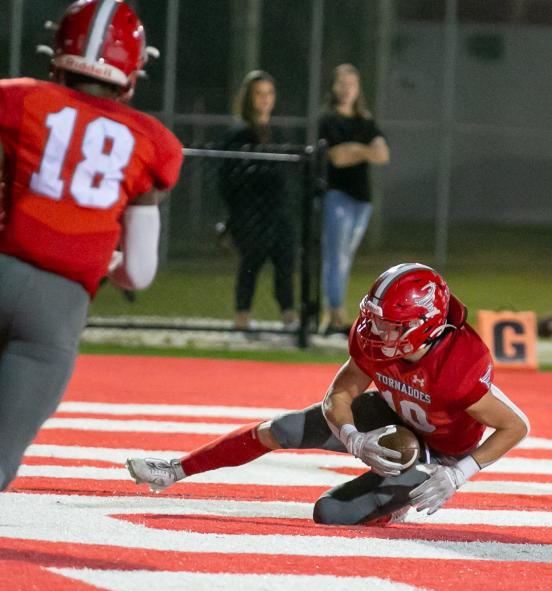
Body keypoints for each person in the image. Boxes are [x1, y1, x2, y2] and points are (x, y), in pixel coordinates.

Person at [127, 263, 530, 525]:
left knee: (330, 513)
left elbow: (515, 426)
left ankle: (395, 502)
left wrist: (459, 473)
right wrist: (353, 437)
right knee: (280, 429)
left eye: (389, 325)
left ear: (423, 324)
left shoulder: (456, 367)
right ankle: (175, 470)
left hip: (435, 456)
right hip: (391, 416)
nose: (376, 331)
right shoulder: (376, 342)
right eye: (374, 318)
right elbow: (341, 392)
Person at [0, 0, 182, 491]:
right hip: (57, 309)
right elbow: (139, 272)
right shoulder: (154, 142)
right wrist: (108, 259)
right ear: (133, 70)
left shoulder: (19, 98)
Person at [220, 70, 297, 331]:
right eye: (259, 94)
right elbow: (228, 178)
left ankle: (289, 315)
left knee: (285, 262)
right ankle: (241, 317)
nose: (264, 99)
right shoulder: (239, 134)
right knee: (251, 263)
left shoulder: (277, 133)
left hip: (278, 211)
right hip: (250, 213)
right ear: (249, 98)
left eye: (269, 94)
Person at [318, 64, 390, 336]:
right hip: (338, 196)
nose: (347, 89)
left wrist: (354, 149)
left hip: (362, 200)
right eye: (342, 83)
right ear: (335, 87)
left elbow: (383, 155)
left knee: (345, 259)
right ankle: (335, 315)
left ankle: (335, 314)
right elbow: (336, 157)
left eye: (352, 84)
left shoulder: (365, 121)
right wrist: (365, 150)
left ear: (358, 89)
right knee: (335, 258)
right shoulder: (328, 119)